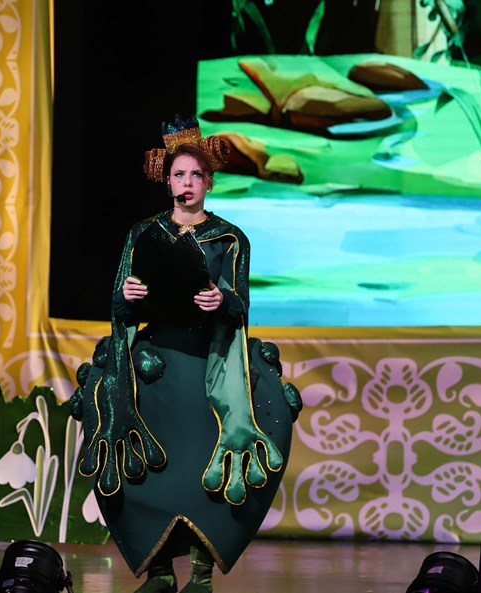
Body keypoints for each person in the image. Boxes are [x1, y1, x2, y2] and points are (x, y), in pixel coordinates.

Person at [69, 115, 302, 593]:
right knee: (147, 469)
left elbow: (239, 304)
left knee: (202, 464)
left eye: (197, 175)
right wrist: (128, 297)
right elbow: (119, 304)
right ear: (167, 180)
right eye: (180, 174)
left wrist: (222, 301)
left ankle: (200, 571)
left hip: (206, 364)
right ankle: (158, 572)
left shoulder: (229, 238)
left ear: (209, 182)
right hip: (153, 366)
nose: (188, 183)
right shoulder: (143, 233)